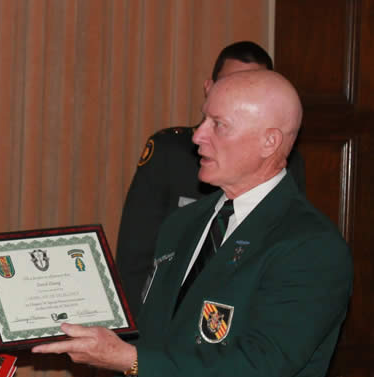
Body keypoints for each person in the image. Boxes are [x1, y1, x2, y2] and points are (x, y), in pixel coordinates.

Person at [33, 70, 352, 377]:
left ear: (269, 142)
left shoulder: (308, 245)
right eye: (203, 120)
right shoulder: (184, 225)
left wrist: (127, 357)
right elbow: (145, 348)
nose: (198, 136)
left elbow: (257, 369)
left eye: (218, 125)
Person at [117, 41, 307, 318]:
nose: (199, 138)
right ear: (210, 88)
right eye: (231, 83)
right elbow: (138, 257)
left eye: (251, 85)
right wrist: (138, 340)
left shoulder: (314, 246)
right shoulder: (173, 159)